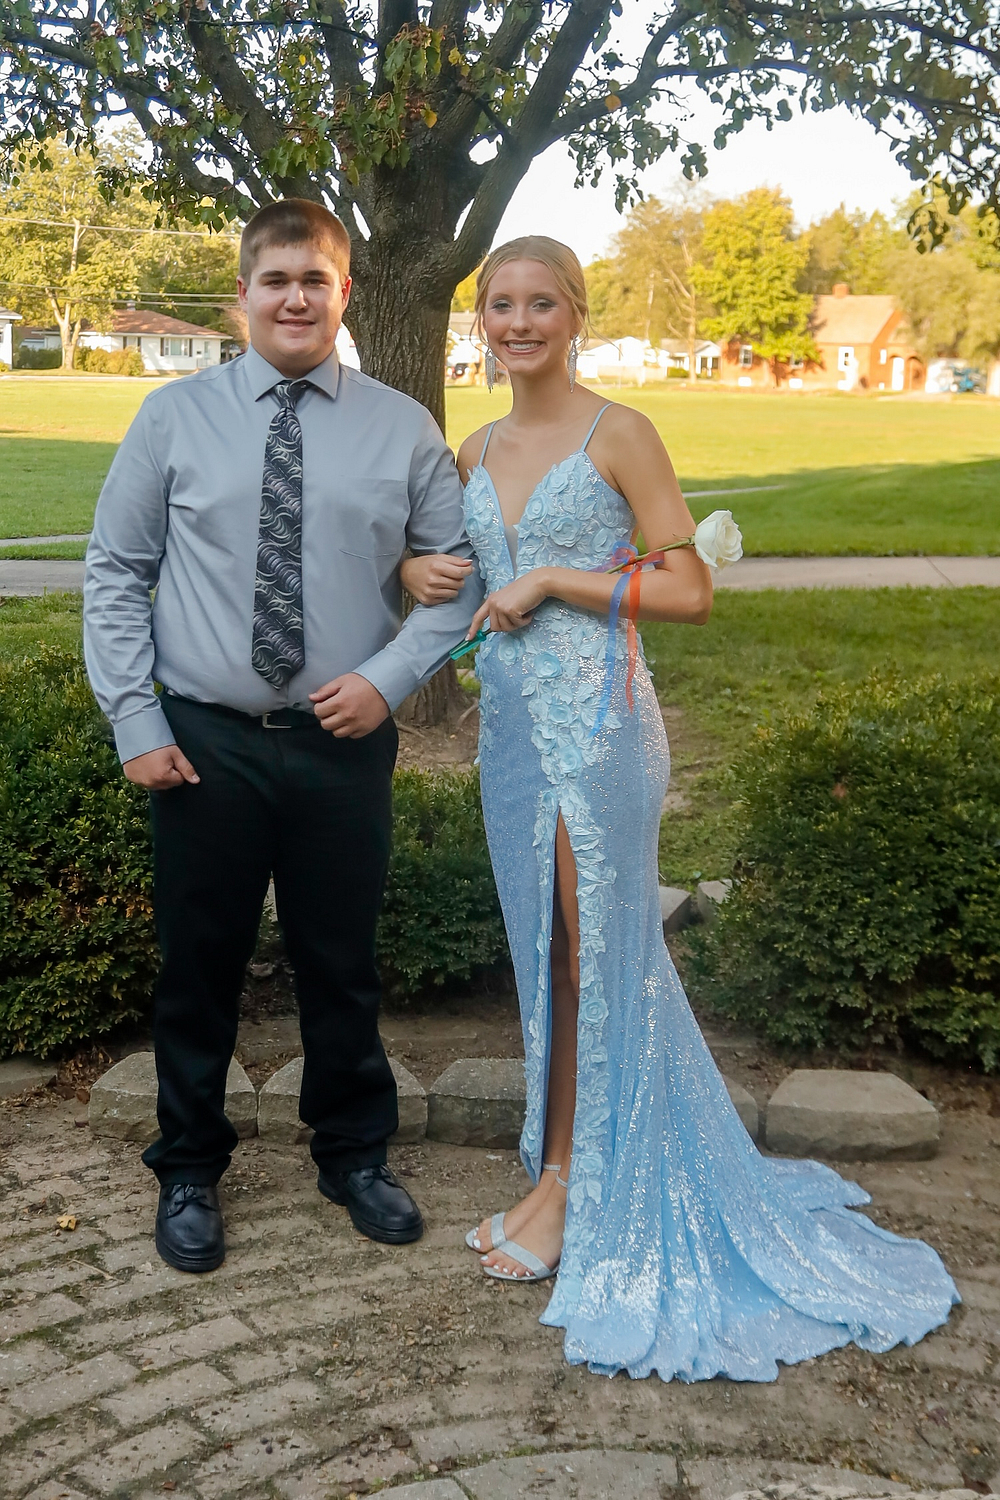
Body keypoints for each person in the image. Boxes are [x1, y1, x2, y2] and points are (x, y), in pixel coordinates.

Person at [400, 235, 958, 1381]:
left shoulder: (621, 433)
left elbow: (689, 586)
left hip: (601, 735)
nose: (517, 323)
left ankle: (578, 1187)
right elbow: (461, 577)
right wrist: (420, 573)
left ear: (576, 314)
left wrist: (556, 580)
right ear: (481, 321)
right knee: (548, 956)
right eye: (499, 305)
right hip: (513, 741)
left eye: (539, 303)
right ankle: (563, 1164)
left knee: (597, 955)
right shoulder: (474, 447)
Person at [84, 199, 483, 1274]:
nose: (295, 298)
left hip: (339, 742)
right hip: (201, 743)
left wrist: (390, 682)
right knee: (198, 966)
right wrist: (134, 718)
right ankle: (187, 1166)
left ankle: (353, 1153)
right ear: (243, 296)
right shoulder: (173, 419)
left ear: (344, 293)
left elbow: (455, 581)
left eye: (315, 280)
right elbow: (116, 573)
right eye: (276, 280)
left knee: (340, 963)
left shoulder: (401, 428)